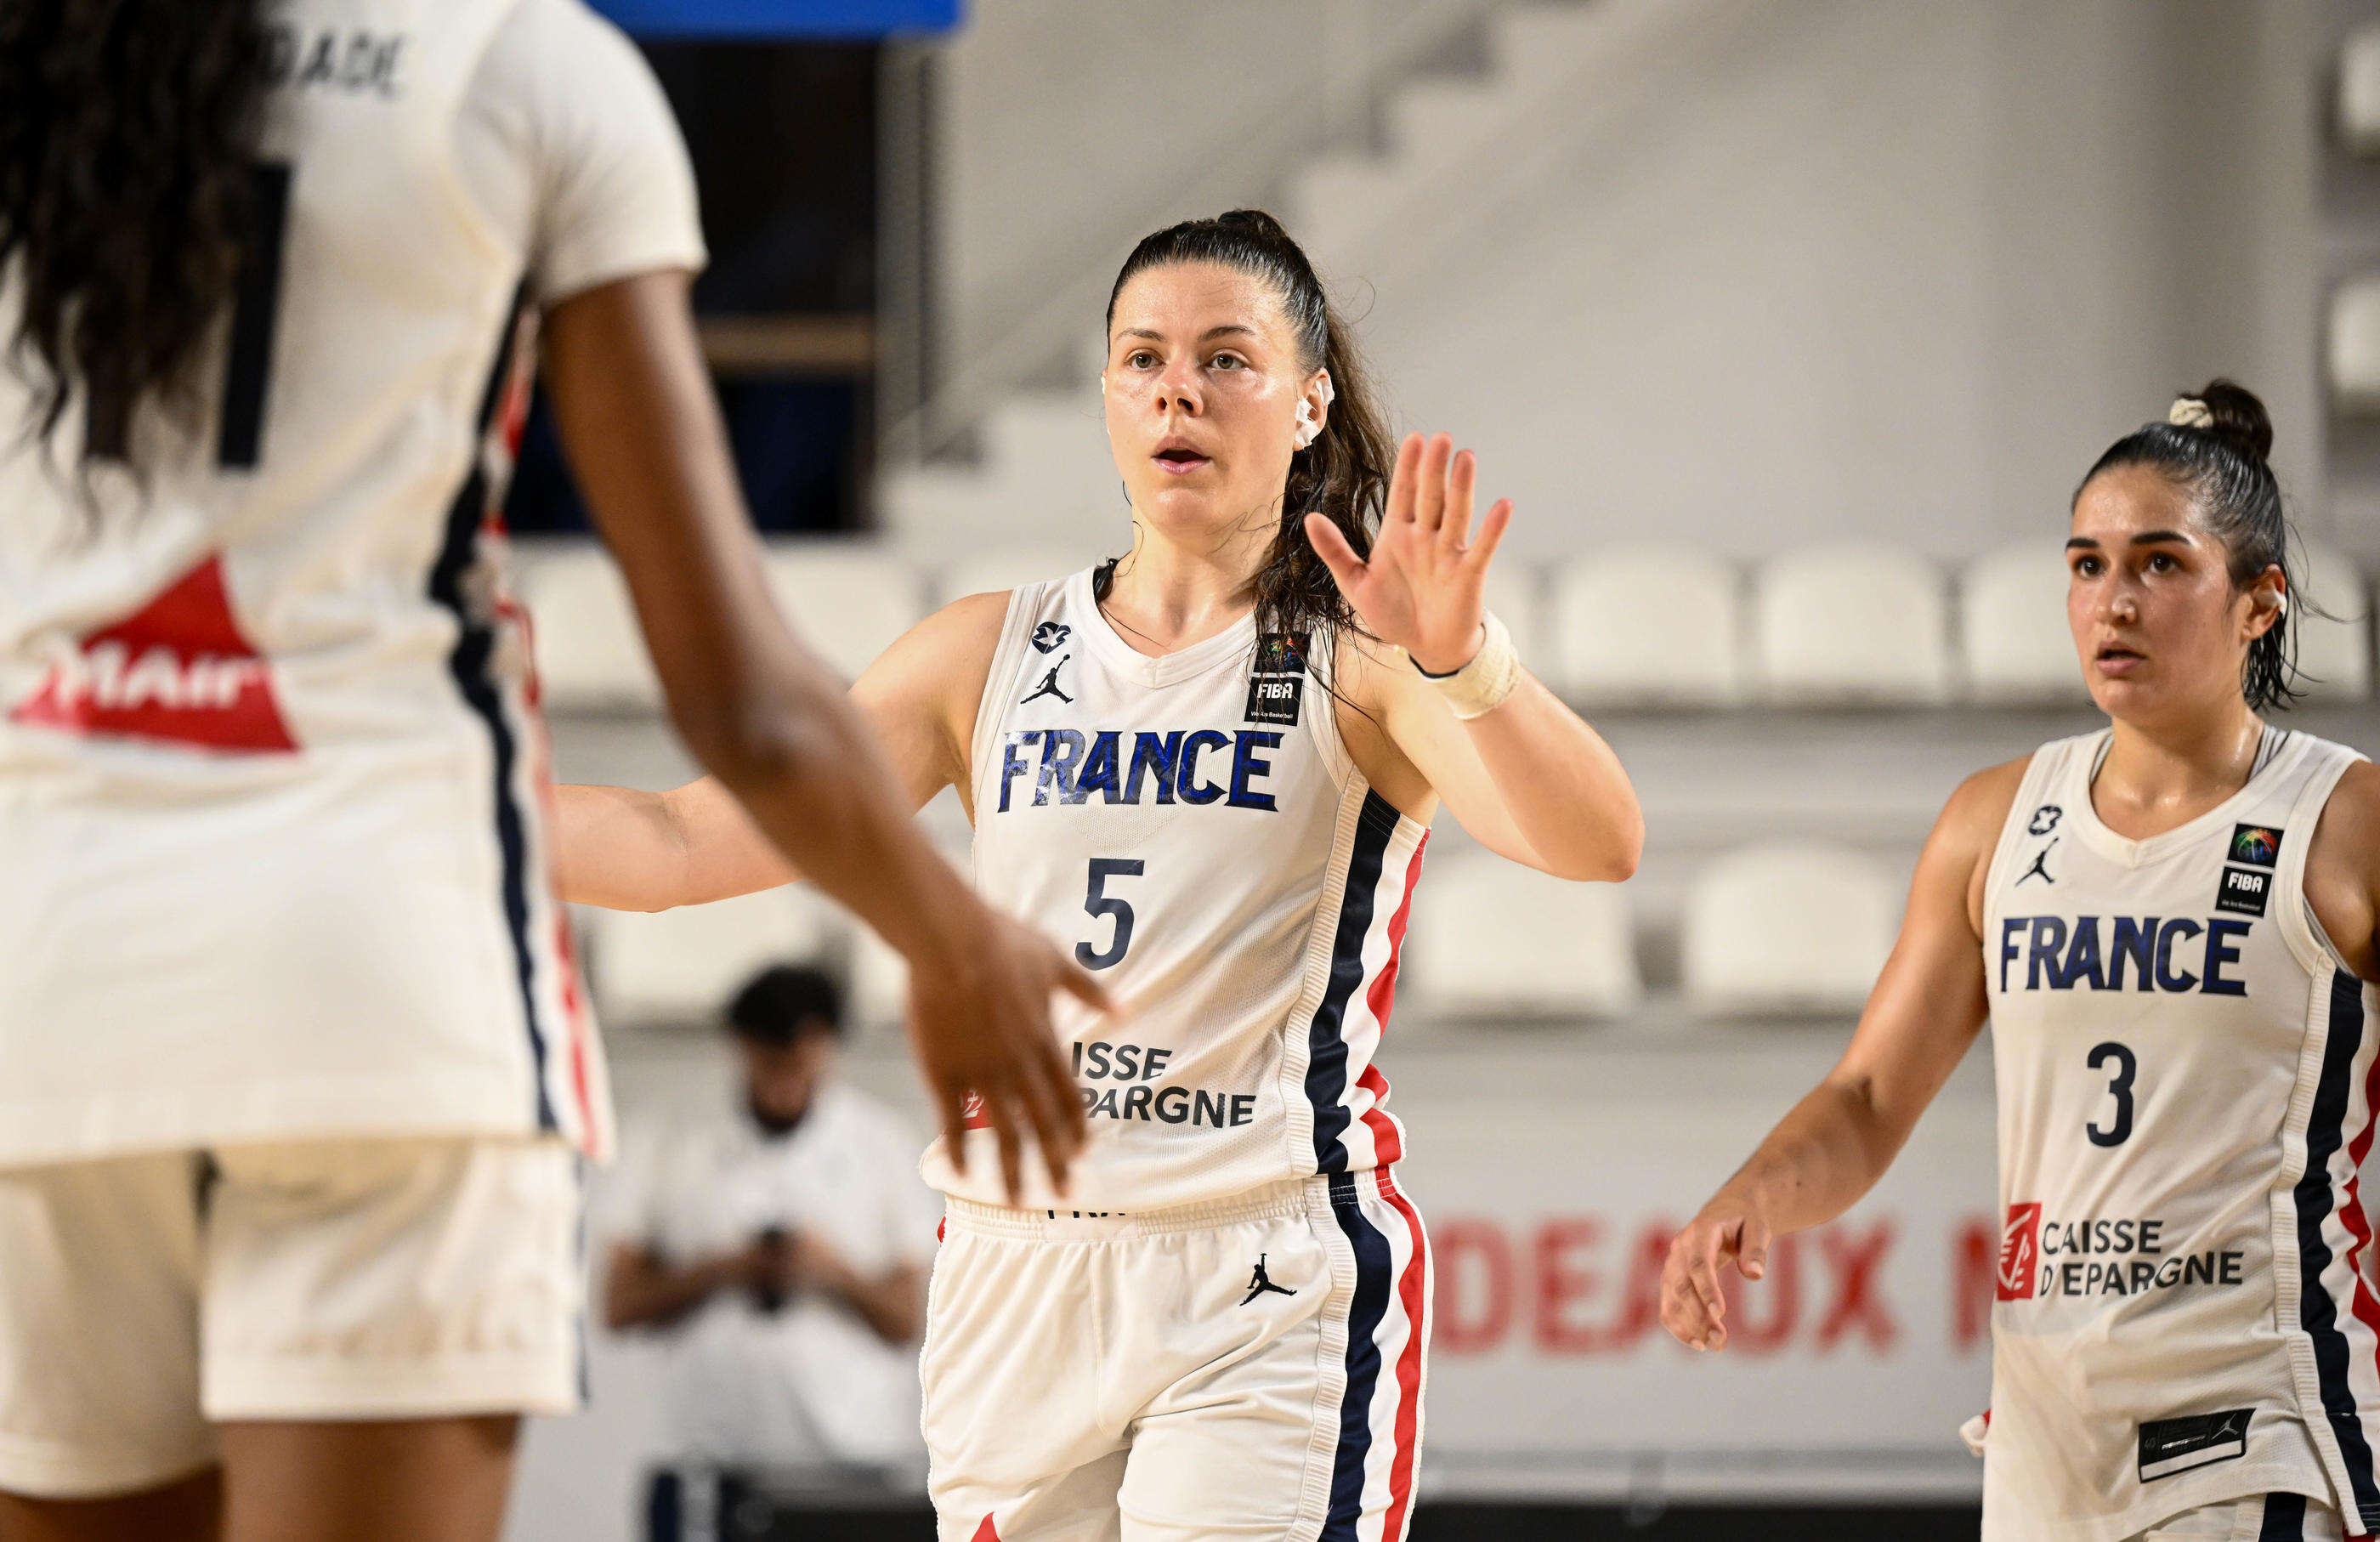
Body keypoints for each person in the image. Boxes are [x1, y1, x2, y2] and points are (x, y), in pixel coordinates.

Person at [0, 3, 1092, 1539]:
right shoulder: (521, 69)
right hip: (379, 959)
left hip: (48, 965)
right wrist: (956, 933)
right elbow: (743, 693)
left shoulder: (53, 65)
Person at [554, 209, 1644, 1542]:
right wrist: (466, 802)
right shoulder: (983, 652)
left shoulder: (1367, 655)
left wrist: (1462, 665)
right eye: (1142, 358)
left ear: (1310, 403)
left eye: (1226, 357)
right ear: (1111, 396)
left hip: (1261, 1262)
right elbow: (678, 843)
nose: (1178, 386)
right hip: (1016, 1262)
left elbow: (1597, 843)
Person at [1660, 382, 2380, 1542]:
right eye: (2087, 565)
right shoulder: (1997, 817)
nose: (2115, 601)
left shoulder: (2344, 819)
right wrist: (1749, 1197)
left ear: (2260, 601)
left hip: (2252, 1426)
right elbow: (1868, 1094)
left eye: (2159, 563)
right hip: (2044, 1443)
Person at [603, 965, 938, 1481]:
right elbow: (620, 1305)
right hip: (704, 1451)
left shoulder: (883, 1143)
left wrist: (829, 1271)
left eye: (799, 1067)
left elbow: (905, 1320)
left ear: (829, 1048)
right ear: (740, 1046)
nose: (785, 1084)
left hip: (853, 1455)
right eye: (771, 1066)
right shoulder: (671, 1137)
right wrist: (727, 1269)